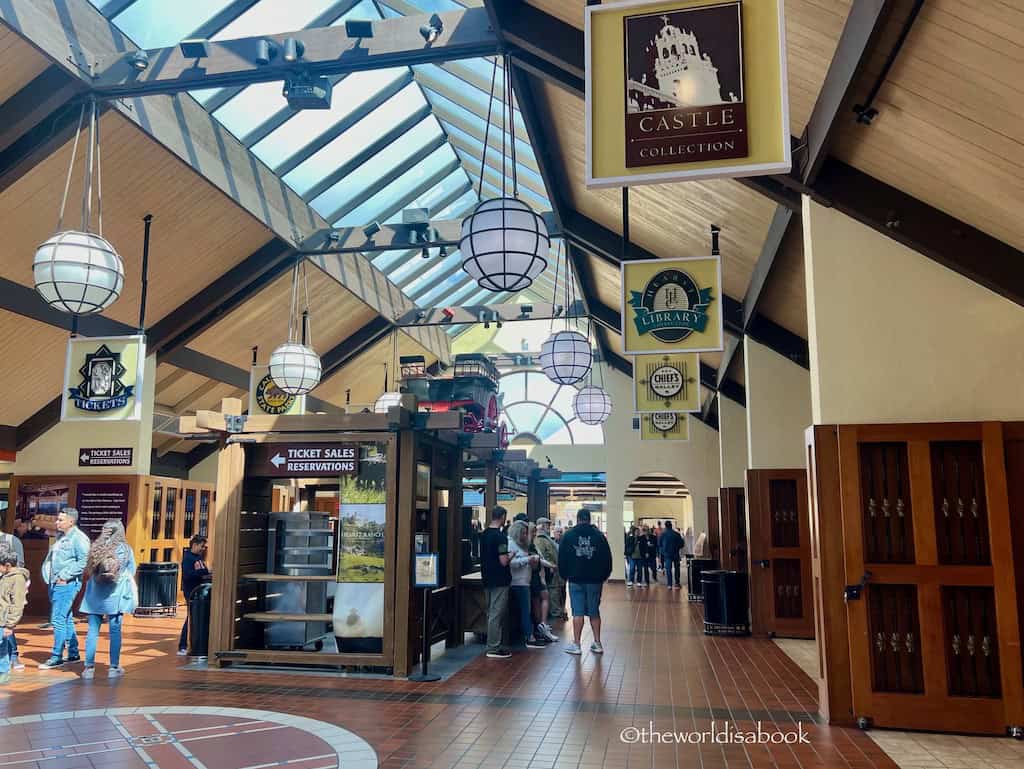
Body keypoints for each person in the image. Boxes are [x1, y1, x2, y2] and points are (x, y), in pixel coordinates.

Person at [79, 520, 137, 679]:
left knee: (92, 631)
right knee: (115, 631)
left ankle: (89, 668)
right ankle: (113, 667)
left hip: (94, 597)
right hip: (115, 596)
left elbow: (88, 571)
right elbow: (131, 570)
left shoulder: (96, 547)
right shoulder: (125, 549)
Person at [39, 508, 90, 669]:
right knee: (66, 617)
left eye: (61, 520)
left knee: (57, 619)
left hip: (66, 584)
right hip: (55, 582)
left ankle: (57, 656)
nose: (57, 522)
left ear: (71, 521)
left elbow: (83, 561)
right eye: (57, 519)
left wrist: (66, 576)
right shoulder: (61, 537)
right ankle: (73, 652)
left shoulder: (79, 538)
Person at [558, 509, 612, 656]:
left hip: (575, 579)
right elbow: (607, 558)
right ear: (589, 519)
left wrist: (565, 575)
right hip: (595, 580)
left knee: (578, 612)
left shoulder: (568, 536)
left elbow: (561, 558)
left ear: (577, 519)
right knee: (594, 611)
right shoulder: (599, 536)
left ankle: (577, 644)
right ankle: (597, 643)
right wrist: (604, 576)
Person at [480, 506, 512, 659]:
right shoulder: (500, 537)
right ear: (503, 517)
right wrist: (511, 554)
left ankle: (491, 643)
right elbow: (504, 561)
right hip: (500, 579)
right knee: (496, 613)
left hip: (487, 577)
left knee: (490, 612)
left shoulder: (484, 534)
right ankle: (493, 646)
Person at [508, 520, 543, 648]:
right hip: (517, 582)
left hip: (524, 582)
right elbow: (511, 563)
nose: (525, 535)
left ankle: (527, 635)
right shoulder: (511, 544)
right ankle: (529, 636)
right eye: (523, 533)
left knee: (525, 610)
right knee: (525, 611)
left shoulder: (523, 545)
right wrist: (528, 559)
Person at [178, 535, 211, 656]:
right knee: (190, 618)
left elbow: (205, 571)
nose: (203, 548)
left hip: (199, 591)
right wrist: (201, 573)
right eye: (202, 546)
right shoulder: (188, 558)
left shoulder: (199, 558)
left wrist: (204, 573)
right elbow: (188, 575)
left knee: (194, 617)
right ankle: (183, 645)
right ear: (195, 545)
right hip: (191, 592)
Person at [0, 548, 29, 684]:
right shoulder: (4, 576)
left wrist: (10, 624)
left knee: (2, 647)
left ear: (7, 565)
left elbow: (17, 604)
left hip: (3, 620)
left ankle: (3, 672)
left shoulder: (17, 579)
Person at [527, 522, 558, 643]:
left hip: (537, 576)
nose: (535, 533)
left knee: (541, 598)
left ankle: (542, 625)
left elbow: (539, 559)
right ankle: (541, 626)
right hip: (534, 577)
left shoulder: (532, 544)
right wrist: (550, 565)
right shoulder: (530, 545)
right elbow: (538, 559)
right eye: (533, 531)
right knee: (538, 600)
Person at [0, 526, 25, 671]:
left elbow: (19, 564)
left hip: (8, 591)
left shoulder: (11, 540)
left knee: (5, 626)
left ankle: (13, 656)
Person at [535, 518, 565, 620]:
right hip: (549, 570)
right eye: (546, 525)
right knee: (552, 591)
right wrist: (550, 566)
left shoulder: (546, 538)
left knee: (555, 591)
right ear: (541, 526)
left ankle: (556, 611)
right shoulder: (540, 539)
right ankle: (555, 612)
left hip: (554, 570)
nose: (548, 527)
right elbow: (542, 555)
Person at [660, 521, 685, 589]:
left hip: (667, 555)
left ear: (665, 526)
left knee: (668, 569)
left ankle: (669, 584)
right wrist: (676, 548)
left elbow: (659, 544)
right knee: (677, 568)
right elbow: (682, 544)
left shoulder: (663, 534)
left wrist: (664, 551)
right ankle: (677, 583)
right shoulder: (676, 534)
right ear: (671, 526)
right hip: (676, 554)